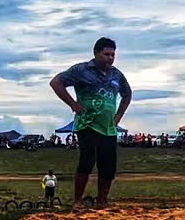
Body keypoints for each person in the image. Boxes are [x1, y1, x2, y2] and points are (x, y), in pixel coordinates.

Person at [50, 37, 132, 209]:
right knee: (87, 160)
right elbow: (56, 82)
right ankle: (78, 201)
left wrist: (118, 116)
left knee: (108, 165)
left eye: (113, 55)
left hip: (109, 127)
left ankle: (102, 201)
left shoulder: (117, 74)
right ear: (96, 53)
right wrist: (73, 104)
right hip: (87, 123)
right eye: (106, 54)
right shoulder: (81, 70)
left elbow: (127, 94)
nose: (110, 58)